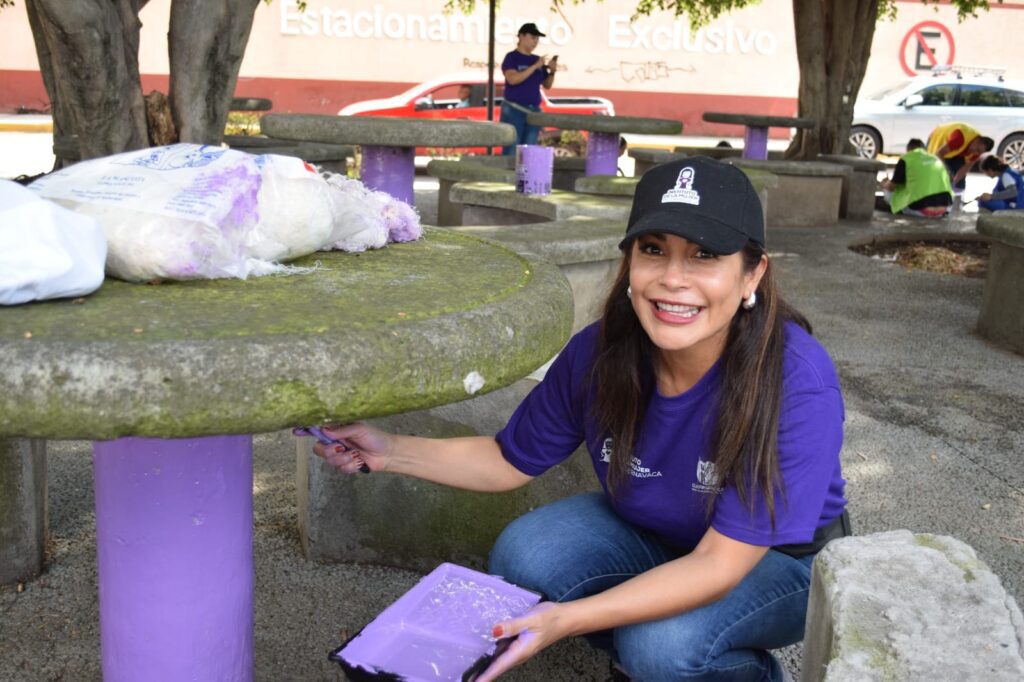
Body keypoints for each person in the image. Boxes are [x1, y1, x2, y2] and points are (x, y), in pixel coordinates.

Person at [311, 158, 848, 682]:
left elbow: (717, 565)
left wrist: (566, 621)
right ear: (630, 262)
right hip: (658, 532)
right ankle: (647, 639)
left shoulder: (796, 380)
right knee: (526, 556)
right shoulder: (600, 352)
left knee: (661, 645)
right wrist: (389, 450)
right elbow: (506, 460)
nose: (672, 279)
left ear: (753, 273)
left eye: (705, 255)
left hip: (776, 561)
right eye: (653, 250)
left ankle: (712, 667)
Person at [500, 23, 556, 155]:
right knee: (512, 149)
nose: (535, 41)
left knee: (529, 151)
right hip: (514, 109)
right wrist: (534, 67)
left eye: (537, 39)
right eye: (532, 37)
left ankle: (526, 175)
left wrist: (552, 71)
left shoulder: (537, 59)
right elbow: (512, 79)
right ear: (521, 36)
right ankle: (509, 175)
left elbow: (547, 85)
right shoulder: (512, 57)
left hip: (533, 111)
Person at [879, 138, 953, 217]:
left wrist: (884, 183)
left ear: (908, 149)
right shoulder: (935, 158)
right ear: (924, 149)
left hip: (920, 210)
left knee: (888, 193)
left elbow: (891, 187)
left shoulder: (906, 158)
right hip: (944, 209)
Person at [926, 121, 994, 191]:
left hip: (956, 149)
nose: (976, 153)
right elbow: (939, 153)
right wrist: (946, 172)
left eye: (979, 152)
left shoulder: (978, 150)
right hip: (938, 138)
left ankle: (958, 197)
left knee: (959, 183)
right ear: (977, 141)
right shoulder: (959, 139)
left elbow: (965, 168)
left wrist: (954, 182)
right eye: (977, 150)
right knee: (938, 175)